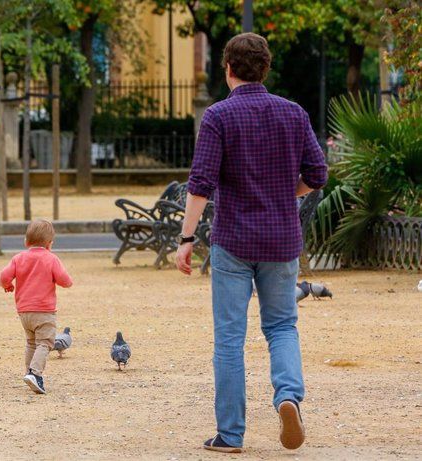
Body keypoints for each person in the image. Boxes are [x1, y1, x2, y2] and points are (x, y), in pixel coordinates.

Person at [175, 33, 328, 453]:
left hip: (234, 241)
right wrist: (284, 193)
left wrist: (186, 238)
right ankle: (288, 397)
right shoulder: (293, 113)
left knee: (229, 337)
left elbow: (201, 184)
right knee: (282, 326)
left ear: (227, 69)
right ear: (266, 68)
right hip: (282, 239)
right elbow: (317, 174)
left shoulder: (218, 117)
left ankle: (230, 434)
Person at [0, 219, 73, 394]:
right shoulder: (51, 259)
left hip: (24, 311)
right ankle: (35, 373)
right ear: (49, 244)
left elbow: (4, 276)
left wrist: (7, 285)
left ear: (26, 241)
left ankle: (29, 373)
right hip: (44, 311)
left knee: (31, 343)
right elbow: (64, 280)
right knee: (46, 343)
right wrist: (68, 283)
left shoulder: (18, 258)